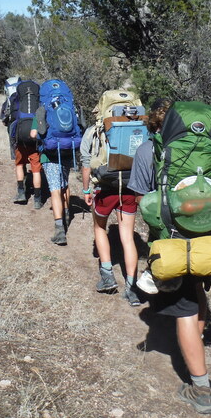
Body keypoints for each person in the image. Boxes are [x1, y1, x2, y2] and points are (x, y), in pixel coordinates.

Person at [128, 98, 211, 415]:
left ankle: (201, 389)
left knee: (185, 310)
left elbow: (142, 202)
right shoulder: (209, 150)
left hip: (173, 243)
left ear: (156, 125)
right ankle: (196, 339)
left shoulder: (148, 151)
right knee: (196, 292)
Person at [79, 106, 142, 306]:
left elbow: (86, 161)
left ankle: (107, 276)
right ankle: (132, 288)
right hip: (130, 185)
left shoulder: (95, 130)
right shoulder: (136, 126)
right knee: (128, 238)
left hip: (105, 187)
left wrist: (87, 190)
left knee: (99, 227)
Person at [30, 105, 76, 245]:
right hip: (68, 152)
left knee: (55, 190)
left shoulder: (42, 110)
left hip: (49, 156)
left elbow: (33, 134)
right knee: (64, 185)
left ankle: (59, 230)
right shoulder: (69, 109)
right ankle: (67, 214)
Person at [0, 86, 43, 209]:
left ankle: (21, 193)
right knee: (36, 171)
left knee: (19, 165)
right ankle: (37, 200)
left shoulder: (15, 99)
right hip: (34, 140)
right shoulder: (38, 101)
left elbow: (7, 119)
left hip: (20, 139)